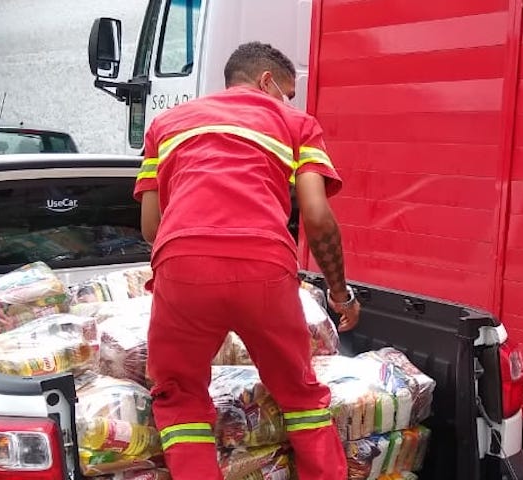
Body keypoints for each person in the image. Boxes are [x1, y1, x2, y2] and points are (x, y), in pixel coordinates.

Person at [133, 41, 361, 480]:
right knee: (299, 394)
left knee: (179, 396)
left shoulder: (165, 124)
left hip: (182, 262)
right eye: (288, 92)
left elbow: (150, 227)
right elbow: (316, 216)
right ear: (267, 81)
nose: (289, 102)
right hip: (264, 264)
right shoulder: (296, 123)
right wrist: (340, 293)